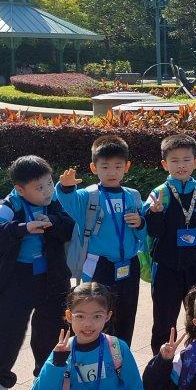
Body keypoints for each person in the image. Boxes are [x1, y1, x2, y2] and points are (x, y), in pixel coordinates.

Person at [0, 155, 75, 390]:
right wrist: (23, 228)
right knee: (8, 328)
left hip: (51, 277)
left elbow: (68, 227)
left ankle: (47, 377)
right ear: (21, 189)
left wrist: (52, 222)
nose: (48, 190)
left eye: (49, 183)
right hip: (17, 278)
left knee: (52, 328)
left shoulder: (52, 201)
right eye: (39, 188)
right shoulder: (10, 205)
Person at [55, 134, 146, 347]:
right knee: (95, 313)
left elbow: (144, 235)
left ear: (127, 167)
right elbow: (69, 201)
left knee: (126, 313)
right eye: (105, 167)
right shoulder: (88, 196)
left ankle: (121, 355)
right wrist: (66, 187)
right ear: (94, 168)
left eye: (117, 166)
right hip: (98, 265)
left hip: (129, 265)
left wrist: (141, 223)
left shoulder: (133, 196)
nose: (112, 172)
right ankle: (93, 355)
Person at [143, 134, 196, 355]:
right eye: (175, 160)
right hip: (166, 268)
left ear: (195, 162)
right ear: (164, 164)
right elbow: (152, 232)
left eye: (186, 160)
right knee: (163, 320)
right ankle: (161, 362)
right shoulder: (158, 194)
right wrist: (155, 214)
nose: (181, 165)